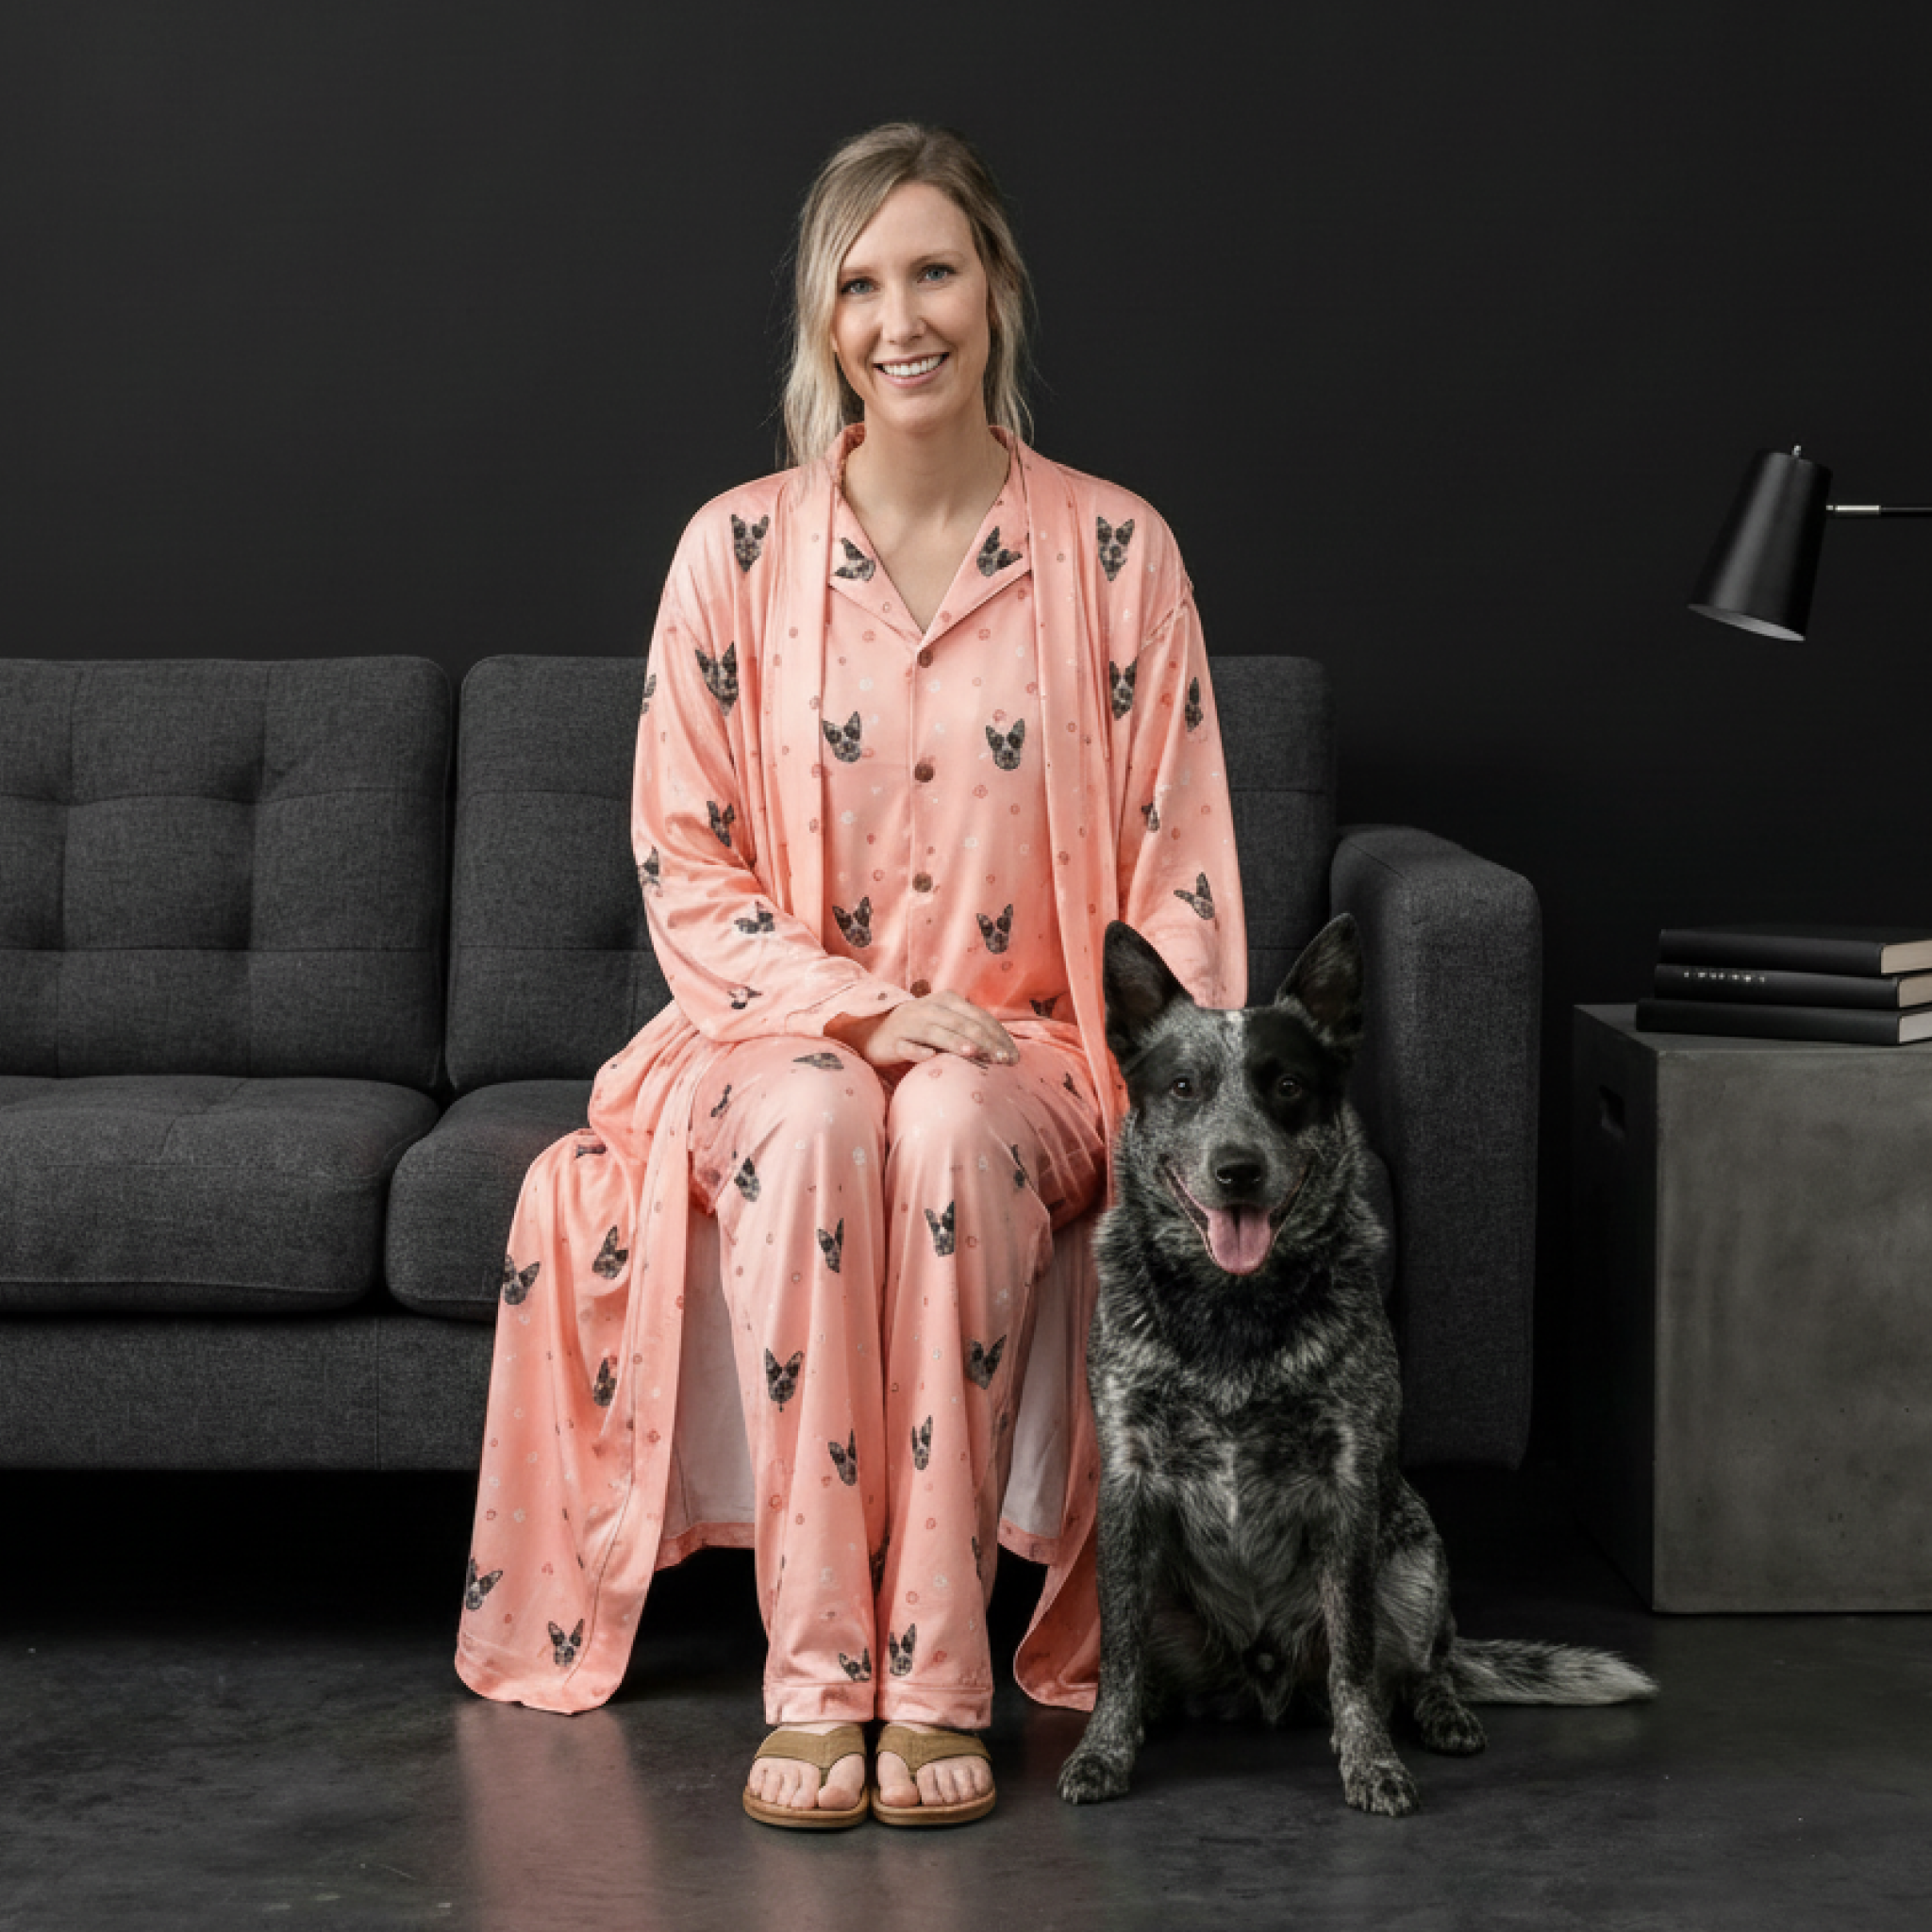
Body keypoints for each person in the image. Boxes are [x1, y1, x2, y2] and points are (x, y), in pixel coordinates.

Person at [454, 121, 1247, 1829]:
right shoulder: (730, 555)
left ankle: (937, 1678)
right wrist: (865, 1011)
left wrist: (1175, 1119)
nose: (904, 318)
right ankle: (818, 1684)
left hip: (1025, 1052)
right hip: (773, 1037)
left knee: (954, 1123)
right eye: (862, 283)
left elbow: (1181, 885)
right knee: (822, 1118)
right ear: (825, 322)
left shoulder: (1119, 557)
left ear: (997, 291)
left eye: (935, 271)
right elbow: (687, 868)